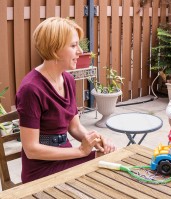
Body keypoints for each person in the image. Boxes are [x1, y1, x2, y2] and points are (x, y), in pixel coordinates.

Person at [15, 17, 116, 183]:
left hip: (66, 157)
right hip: (41, 170)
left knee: (108, 157)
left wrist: (94, 140)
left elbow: (74, 127)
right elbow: (31, 149)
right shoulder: (31, 89)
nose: (79, 52)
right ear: (55, 48)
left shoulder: (67, 80)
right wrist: (81, 152)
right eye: (73, 45)